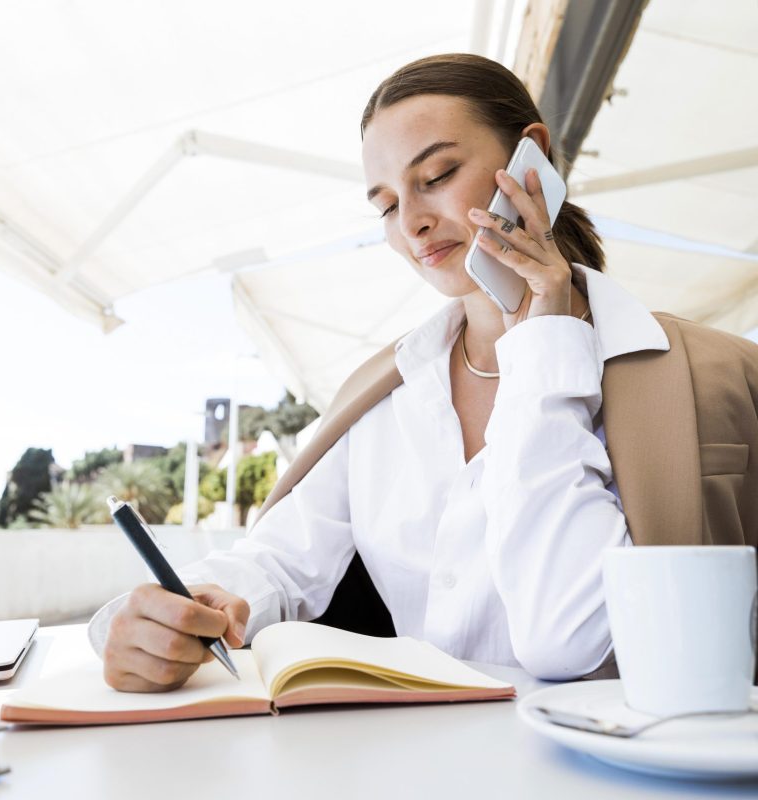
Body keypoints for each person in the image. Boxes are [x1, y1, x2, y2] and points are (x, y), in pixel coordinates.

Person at [92, 53, 758, 693]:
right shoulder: (383, 394)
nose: (411, 222)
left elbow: (568, 638)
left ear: (533, 158)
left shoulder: (719, 372)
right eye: (385, 205)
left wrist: (546, 334)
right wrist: (173, 613)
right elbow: (276, 562)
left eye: (436, 175)